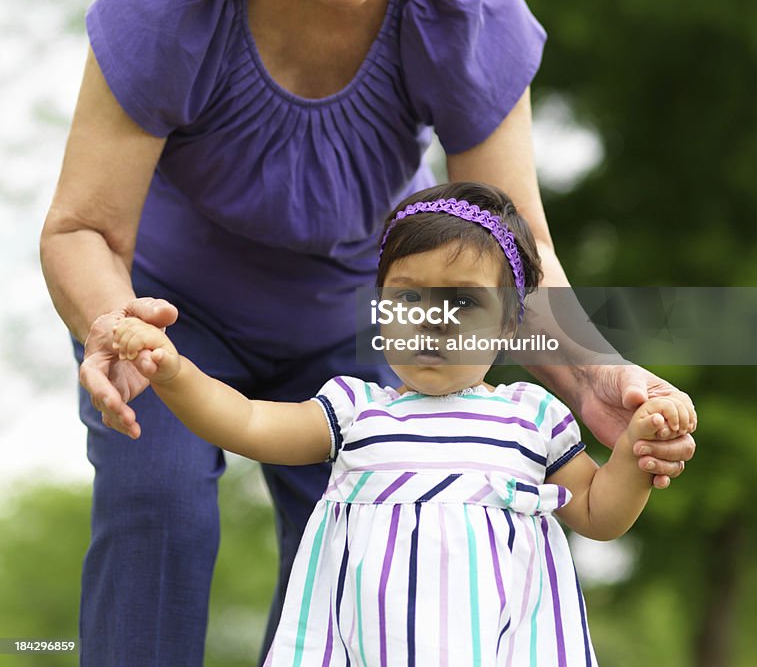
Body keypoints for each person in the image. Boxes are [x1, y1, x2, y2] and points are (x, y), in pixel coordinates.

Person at [39, 0, 695, 667]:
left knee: (377, 550)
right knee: (159, 498)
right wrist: (114, 327)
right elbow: (81, 228)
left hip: (359, 314)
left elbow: (516, 241)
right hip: (169, 314)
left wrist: (595, 376)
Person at [112, 182, 693, 666]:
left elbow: (597, 513)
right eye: (406, 298)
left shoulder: (532, 417)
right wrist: (174, 370)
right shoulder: (355, 410)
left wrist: (637, 452)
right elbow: (247, 423)